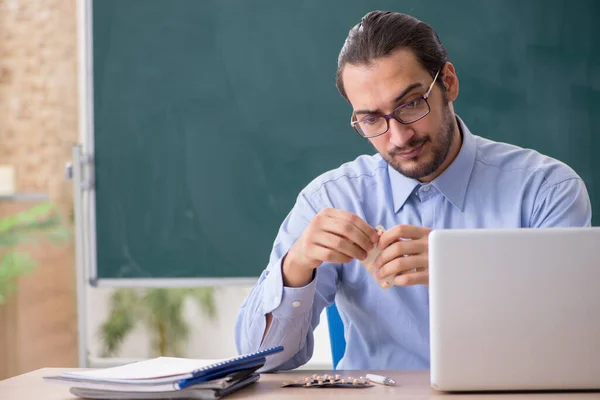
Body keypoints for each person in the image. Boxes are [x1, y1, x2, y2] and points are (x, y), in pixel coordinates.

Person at [234, 11, 592, 371]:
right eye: (372, 119)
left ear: (448, 83)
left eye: (410, 105)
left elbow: (577, 342)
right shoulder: (331, 199)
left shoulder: (546, 191)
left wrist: (470, 274)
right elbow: (256, 361)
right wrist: (296, 266)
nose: (399, 136)